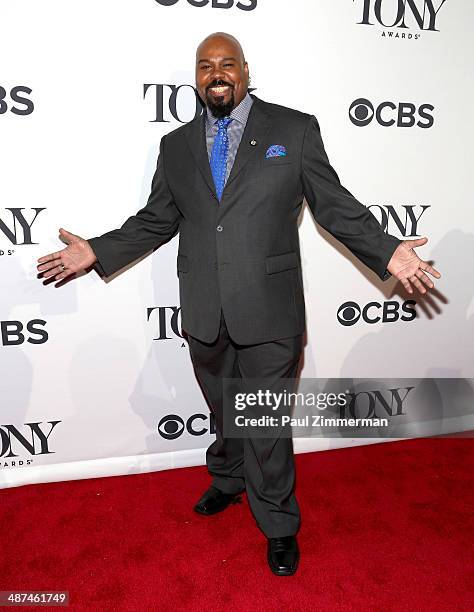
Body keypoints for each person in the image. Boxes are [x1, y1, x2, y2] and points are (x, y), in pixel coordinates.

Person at [36, 32, 441, 576]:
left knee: (266, 422)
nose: (217, 73)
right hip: (204, 305)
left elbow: (333, 205)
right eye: (206, 66)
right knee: (225, 412)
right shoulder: (176, 146)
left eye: (227, 64)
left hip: (269, 309)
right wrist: (97, 251)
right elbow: (157, 220)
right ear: (196, 76)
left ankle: (277, 522)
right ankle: (227, 480)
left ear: (246, 70)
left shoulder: (293, 129)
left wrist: (388, 251)